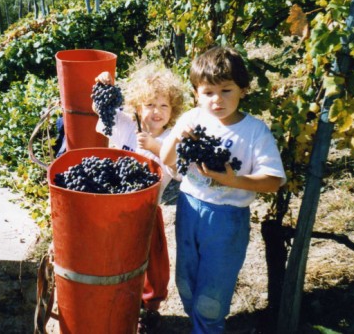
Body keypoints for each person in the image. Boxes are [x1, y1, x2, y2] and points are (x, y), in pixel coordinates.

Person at [160, 46, 286, 333]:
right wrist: (176, 137)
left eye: (226, 91)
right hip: (189, 208)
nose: (217, 100)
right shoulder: (193, 119)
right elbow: (167, 160)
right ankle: (199, 326)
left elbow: (273, 181)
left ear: (243, 89)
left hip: (227, 220)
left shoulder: (255, 131)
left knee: (212, 292)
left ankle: (208, 327)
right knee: (187, 281)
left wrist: (233, 181)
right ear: (196, 93)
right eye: (208, 93)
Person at [94, 66, 186, 333]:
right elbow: (103, 109)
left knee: (153, 264)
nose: (156, 111)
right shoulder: (124, 124)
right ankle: (115, 300)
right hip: (113, 208)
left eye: (164, 105)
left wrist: (157, 147)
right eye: (149, 104)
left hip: (147, 211)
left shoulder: (171, 139)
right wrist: (102, 85)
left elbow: (179, 171)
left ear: (173, 109)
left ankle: (151, 308)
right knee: (114, 258)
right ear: (136, 105)